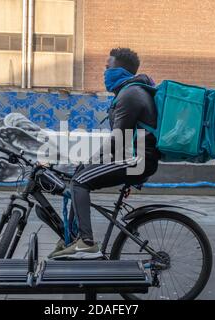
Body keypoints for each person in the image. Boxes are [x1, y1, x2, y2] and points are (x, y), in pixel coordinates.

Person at [49, 48, 161, 259]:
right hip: (137, 159)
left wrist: (90, 162)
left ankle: (87, 243)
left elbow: (117, 142)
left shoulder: (130, 95)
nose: (104, 72)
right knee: (79, 177)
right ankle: (73, 239)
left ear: (119, 71)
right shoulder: (133, 91)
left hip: (138, 160)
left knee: (80, 181)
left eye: (108, 68)